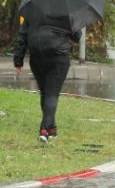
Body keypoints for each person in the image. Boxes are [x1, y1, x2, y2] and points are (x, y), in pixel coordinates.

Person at [11, 13, 79, 142]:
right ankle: (44, 129)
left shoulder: (32, 10)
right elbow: (77, 37)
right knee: (52, 94)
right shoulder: (66, 11)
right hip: (58, 57)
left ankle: (52, 129)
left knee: (45, 93)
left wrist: (18, 60)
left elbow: (22, 36)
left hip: (37, 57)